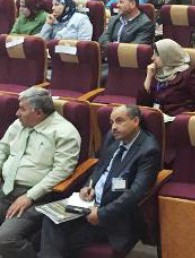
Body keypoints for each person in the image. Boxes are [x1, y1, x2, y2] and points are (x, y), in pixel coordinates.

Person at [39, 104, 161, 257]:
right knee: (50, 219)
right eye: (111, 122)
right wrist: (88, 185)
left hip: (112, 214)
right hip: (88, 203)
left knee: (59, 241)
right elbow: (100, 165)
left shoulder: (149, 150)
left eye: (119, 121)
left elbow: (135, 192)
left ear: (136, 121)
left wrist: (101, 214)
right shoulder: (112, 136)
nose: (114, 127)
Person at [0, 87, 80, 258]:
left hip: (36, 198)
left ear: (38, 112)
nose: (16, 113)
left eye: (22, 109)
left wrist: (30, 196)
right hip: (4, 188)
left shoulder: (65, 133)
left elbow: (62, 171)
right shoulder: (19, 124)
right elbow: (2, 148)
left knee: (5, 240)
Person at [138, 39, 195, 116]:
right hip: (157, 117)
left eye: (156, 55)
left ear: (167, 56)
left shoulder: (187, 75)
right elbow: (141, 104)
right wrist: (149, 77)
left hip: (177, 119)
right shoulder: (156, 73)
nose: (152, 58)